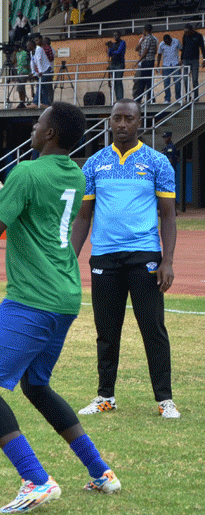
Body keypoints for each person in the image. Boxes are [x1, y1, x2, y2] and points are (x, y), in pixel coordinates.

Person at [0, 101, 121, 514]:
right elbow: (40, 214)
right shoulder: (73, 172)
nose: (34, 129)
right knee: (35, 386)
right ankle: (101, 471)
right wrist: (5, 193)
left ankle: (36, 480)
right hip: (65, 295)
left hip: (32, 297)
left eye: (39, 124)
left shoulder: (28, 171)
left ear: (51, 134)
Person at [71, 99, 180, 419]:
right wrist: (69, 258)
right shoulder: (93, 163)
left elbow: (169, 215)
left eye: (128, 119)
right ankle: (105, 396)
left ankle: (164, 400)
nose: (121, 124)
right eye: (116, 118)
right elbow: (83, 217)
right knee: (106, 331)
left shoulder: (157, 162)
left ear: (139, 122)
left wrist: (168, 260)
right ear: (109, 122)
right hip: (104, 256)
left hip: (144, 256)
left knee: (153, 329)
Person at [133, 24, 157, 103]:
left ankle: (139, 99)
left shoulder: (147, 39)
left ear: (145, 30)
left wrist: (137, 62)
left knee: (142, 82)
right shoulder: (153, 39)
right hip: (151, 61)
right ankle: (150, 99)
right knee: (148, 81)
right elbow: (155, 51)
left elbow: (145, 52)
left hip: (146, 61)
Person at [181, 24, 205, 102]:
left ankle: (196, 97)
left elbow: (202, 47)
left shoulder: (198, 36)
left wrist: (204, 59)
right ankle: (188, 96)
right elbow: (183, 47)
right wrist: (181, 58)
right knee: (185, 79)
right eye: (185, 32)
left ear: (191, 30)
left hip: (194, 60)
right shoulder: (185, 36)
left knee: (195, 79)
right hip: (185, 59)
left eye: (187, 32)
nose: (186, 33)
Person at [157, 34, 182, 104]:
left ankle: (178, 98)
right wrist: (158, 65)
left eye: (168, 42)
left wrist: (181, 60)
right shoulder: (161, 44)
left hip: (175, 64)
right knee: (166, 83)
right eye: (165, 42)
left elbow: (182, 49)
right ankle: (167, 99)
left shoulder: (176, 41)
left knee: (177, 82)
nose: (167, 43)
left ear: (170, 39)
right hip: (165, 65)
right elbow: (159, 54)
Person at [29, 37, 53, 107]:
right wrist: (33, 72)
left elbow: (39, 61)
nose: (27, 47)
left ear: (31, 45)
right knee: (43, 87)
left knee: (40, 85)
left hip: (46, 70)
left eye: (28, 46)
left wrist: (40, 72)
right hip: (42, 71)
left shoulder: (38, 49)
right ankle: (45, 103)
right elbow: (32, 62)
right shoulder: (32, 52)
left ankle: (35, 103)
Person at [107, 31, 126, 102]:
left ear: (119, 35)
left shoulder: (122, 43)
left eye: (116, 35)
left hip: (119, 64)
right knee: (115, 82)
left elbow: (118, 52)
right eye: (114, 35)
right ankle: (117, 99)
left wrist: (112, 51)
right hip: (113, 64)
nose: (115, 37)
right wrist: (110, 47)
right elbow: (109, 54)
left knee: (118, 81)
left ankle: (120, 99)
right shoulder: (114, 44)